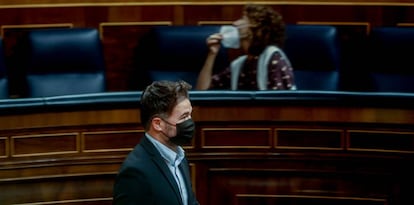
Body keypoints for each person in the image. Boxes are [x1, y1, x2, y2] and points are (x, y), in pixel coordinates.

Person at [113, 80, 199, 205]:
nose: (190, 122)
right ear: (158, 124)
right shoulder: (135, 172)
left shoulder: (179, 158)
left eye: (190, 115)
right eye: (184, 117)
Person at [196, 4, 296, 90]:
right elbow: (202, 91)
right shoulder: (239, 65)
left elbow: (281, 104)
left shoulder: (273, 57)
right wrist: (212, 53)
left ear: (257, 28)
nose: (235, 23)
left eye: (242, 19)